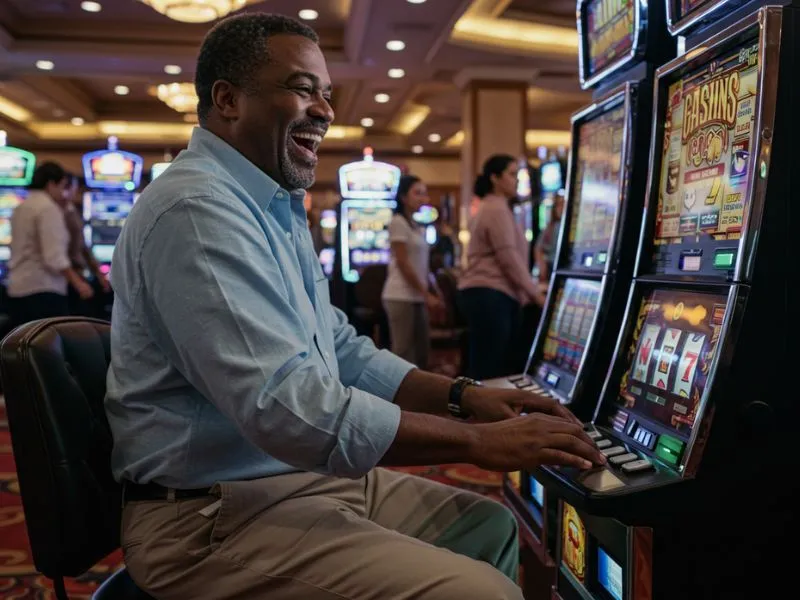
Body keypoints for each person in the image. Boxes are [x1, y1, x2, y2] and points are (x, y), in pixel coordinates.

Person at [106, 14, 604, 600]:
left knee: (487, 526)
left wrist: (464, 396)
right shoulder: (196, 210)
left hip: (293, 484)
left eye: (326, 93)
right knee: (481, 592)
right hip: (210, 518)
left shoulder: (270, 203)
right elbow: (284, 408)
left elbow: (340, 351)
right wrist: (473, 442)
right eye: (300, 88)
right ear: (228, 100)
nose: (323, 109)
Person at [458, 155, 547, 380]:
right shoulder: (496, 209)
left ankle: (480, 412)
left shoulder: (493, 207)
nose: (517, 180)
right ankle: (486, 414)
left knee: (487, 362)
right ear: (495, 178)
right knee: (491, 367)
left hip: (485, 294)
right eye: (512, 174)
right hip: (490, 294)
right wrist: (535, 294)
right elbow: (508, 258)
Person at [6, 162, 93, 327]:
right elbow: (54, 256)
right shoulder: (48, 208)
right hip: (43, 288)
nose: (63, 193)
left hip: (17, 287)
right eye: (62, 186)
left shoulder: (20, 207)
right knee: (47, 349)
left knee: (22, 346)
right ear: (51, 184)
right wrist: (78, 283)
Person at [382, 174, 442, 368]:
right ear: (403, 197)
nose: (423, 198)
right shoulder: (398, 222)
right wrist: (426, 294)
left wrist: (432, 290)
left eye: (424, 194)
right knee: (403, 353)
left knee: (422, 352)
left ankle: (419, 396)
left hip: (416, 295)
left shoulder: (415, 225)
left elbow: (421, 265)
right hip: (400, 295)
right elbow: (403, 262)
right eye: (417, 193)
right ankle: (395, 398)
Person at [62, 174, 111, 316]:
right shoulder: (63, 212)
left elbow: (83, 247)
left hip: (75, 274)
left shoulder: (69, 211)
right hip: (71, 275)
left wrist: (97, 272)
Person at [534, 191, 565, 283]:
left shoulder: (572, 226)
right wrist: (542, 267)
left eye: (564, 204)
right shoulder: (550, 227)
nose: (561, 208)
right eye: (559, 205)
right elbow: (538, 249)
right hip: (552, 268)